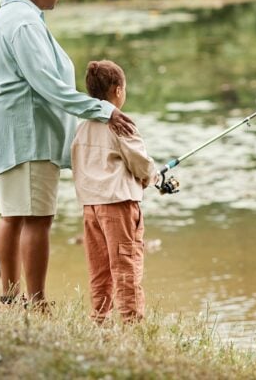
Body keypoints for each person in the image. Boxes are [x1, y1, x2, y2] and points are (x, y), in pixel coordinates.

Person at [0, 0, 135, 311]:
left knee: (13, 214)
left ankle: (12, 297)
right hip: (25, 135)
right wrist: (102, 110)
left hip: (7, 131)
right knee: (35, 218)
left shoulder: (8, 16)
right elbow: (47, 85)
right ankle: (35, 300)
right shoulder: (25, 24)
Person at [71, 60, 156, 323]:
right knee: (126, 268)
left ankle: (100, 321)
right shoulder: (120, 124)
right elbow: (140, 163)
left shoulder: (82, 126)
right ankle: (131, 325)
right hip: (118, 205)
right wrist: (152, 177)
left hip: (91, 208)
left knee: (100, 269)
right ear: (118, 90)